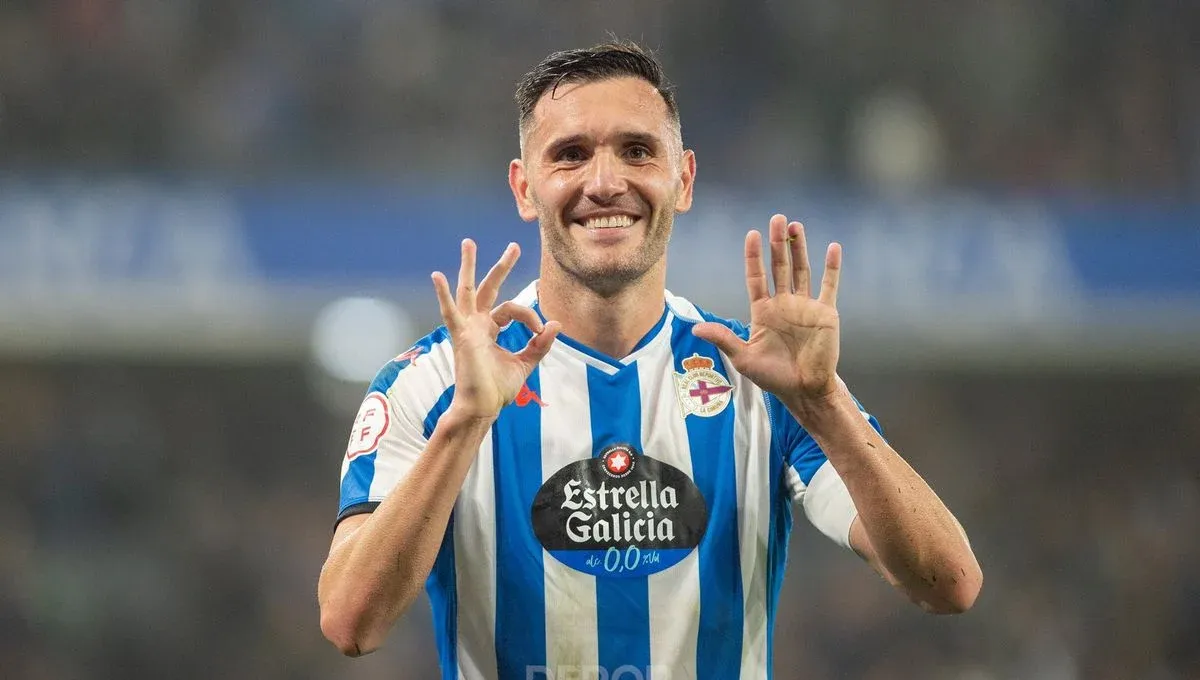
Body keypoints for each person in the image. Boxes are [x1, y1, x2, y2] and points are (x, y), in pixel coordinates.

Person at [318, 41, 982, 679]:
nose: (605, 183)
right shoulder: (433, 383)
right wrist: (463, 424)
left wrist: (825, 404)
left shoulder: (761, 378)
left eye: (637, 151)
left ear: (683, 179)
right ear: (524, 189)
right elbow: (351, 623)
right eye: (570, 155)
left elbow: (948, 583)